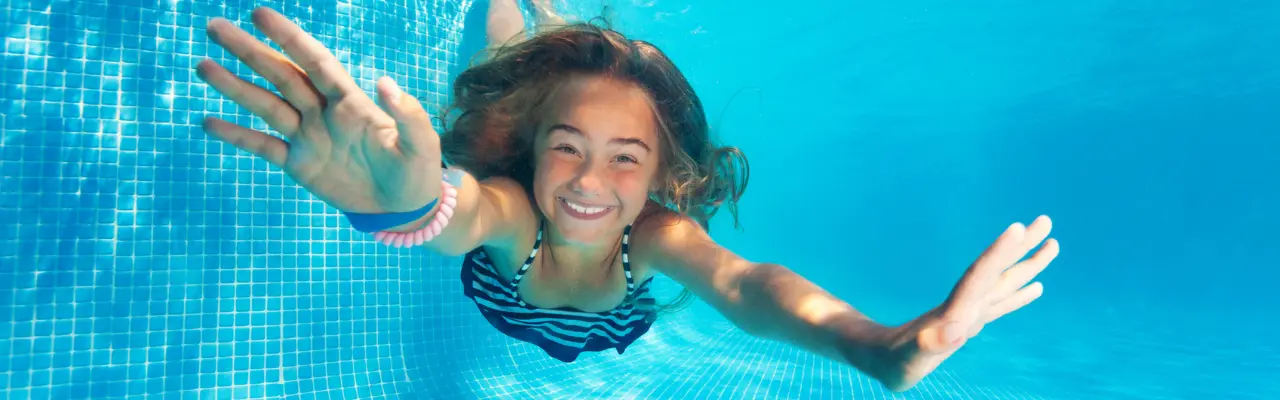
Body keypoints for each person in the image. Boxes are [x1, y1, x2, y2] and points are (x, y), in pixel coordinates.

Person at [193, 3, 1059, 392]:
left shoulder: (656, 236)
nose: (587, 183)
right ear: (532, 156)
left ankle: (548, 25)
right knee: (507, 55)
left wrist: (876, 346)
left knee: (540, 51)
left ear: (658, 179)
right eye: (565, 148)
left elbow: (745, 285)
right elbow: (467, 212)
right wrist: (410, 200)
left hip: (607, 330)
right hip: (508, 303)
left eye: (624, 160)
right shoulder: (517, 209)